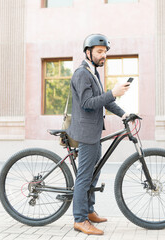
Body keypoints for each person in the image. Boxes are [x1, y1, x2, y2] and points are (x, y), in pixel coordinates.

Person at [66, 34, 130, 235]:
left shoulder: (93, 73)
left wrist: (124, 113)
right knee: (84, 177)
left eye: (105, 52)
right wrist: (113, 92)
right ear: (88, 52)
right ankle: (80, 219)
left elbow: (105, 101)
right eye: (99, 52)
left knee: (95, 172)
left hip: (93, 131)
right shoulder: (81, 74)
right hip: (85, 133)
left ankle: (89, 210)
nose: (103, 56)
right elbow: (86, 104)